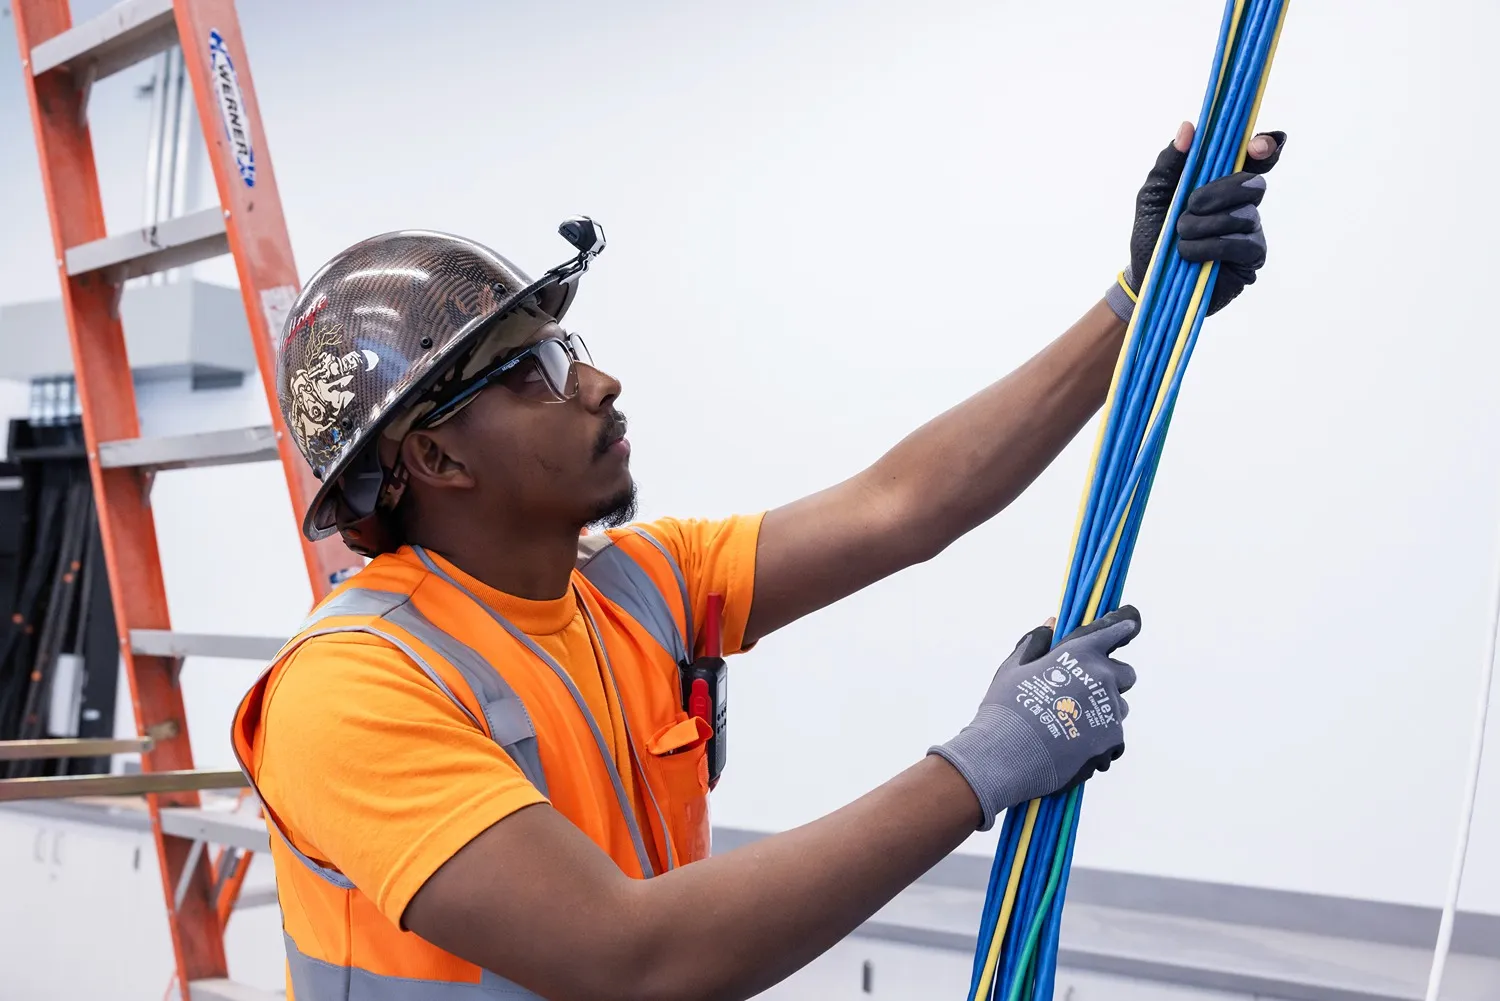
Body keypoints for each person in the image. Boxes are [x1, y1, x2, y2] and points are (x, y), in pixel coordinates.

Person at [233, 122, 1283, 1001]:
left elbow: (903, 504)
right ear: (432, 453)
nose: (600, 383)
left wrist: (1134, 305)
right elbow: (632, 952)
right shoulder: (352, 690)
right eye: (537, 369)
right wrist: (991, 760)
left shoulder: (636, 583)